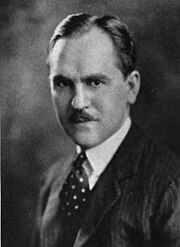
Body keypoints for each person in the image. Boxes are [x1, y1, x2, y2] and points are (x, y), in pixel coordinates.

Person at [33, 13, 180, 247]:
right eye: (63, 83)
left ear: (130, 87)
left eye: (95, 82)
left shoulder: (170, 185)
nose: (78, 103)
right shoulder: (52, 180)